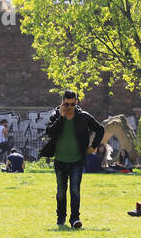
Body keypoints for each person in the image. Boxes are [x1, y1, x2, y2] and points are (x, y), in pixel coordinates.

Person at [41, 91, 104, 230]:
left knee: (75, 190)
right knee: (61, 192)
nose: (70, 107)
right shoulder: (56, 115)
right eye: (66, 104)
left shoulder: (83, 117)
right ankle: (61, 218)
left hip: (76, 160)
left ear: (76, 102)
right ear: (62, 102)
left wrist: (93, 147)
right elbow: (50, 132)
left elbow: (100, 129)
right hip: (60, 160)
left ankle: (75, 219)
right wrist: (61, 118)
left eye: (72, 104)